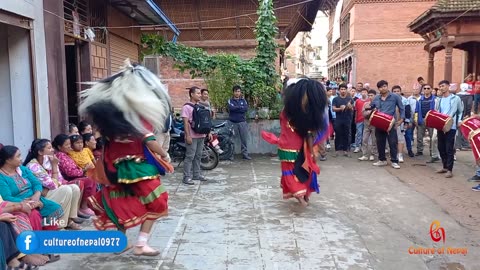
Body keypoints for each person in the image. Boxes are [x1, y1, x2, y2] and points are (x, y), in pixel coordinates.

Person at [78, 60, 172, 256]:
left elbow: (104, 143)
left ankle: (119, 243)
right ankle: (141, 244)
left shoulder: (110, 122)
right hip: (136, 169)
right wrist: (164, 154)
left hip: (113, 169)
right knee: (158, 200)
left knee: (119, 203)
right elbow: (149, 141)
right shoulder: (137, 117)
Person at [261, 78, 329, 207]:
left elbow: (308, 132)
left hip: (297, 147)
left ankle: (303, 195)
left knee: (300, 171)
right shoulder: (290, 112)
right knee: (296, 171)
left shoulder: (298, 112)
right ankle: (301, 196)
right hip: (290, 146)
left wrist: (313, 148)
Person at [23, 139, 82, 230]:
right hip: (41, 196)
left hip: (48, 191)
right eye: (49, 148)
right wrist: (54, 166)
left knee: (74, 188)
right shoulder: (33, 166)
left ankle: (69, 220)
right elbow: (53, 185)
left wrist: (54, 182)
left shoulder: (48, 161)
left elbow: (60, 180)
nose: (52, 150)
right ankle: (60, 225)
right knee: (66, 190)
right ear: (40, 152)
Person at [0, 145, 64, 226]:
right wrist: (29, 203)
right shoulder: (1, 177)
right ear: (8, 160)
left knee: (54, 208)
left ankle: (48, 234)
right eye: (18, 156)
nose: (21, 159)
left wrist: (36, 195)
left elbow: (36, 183)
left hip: (35, 198)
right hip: (18, 203)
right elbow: (7, 197)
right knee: (34, 215)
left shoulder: (23, 169)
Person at [52, 134, 96, 217]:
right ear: (59, 147)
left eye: (69, 144)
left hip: (77, 175)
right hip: (68, 179)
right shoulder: (61, 156)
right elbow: (70, 173)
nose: (69, 146)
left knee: (91, 179)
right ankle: (83, 207)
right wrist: (84, 169)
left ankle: (86, 206)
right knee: (89, 180)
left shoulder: (67, 154)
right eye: (66, 145)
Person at [370, 80, 405, 169]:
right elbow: (371, 106)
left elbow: (402, 108)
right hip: (379, 123)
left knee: (392, 142)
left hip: (391, 123)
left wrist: (401, 120)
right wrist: (369, 108)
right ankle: (382, 160)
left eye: (385, 86)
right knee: (380, 142)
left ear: (387, 86)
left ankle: (394, 161)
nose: (383, 88)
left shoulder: (395, 97)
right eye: (381, 87)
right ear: (378, 89)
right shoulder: (376, 98)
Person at [435, 80, 463, 178]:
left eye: (443, 86)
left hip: (451, 126)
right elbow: (436, 112)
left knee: (449, 148)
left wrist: (459, 120)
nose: (441, 88)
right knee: (440, 147)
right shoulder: (438, 99)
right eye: (440, 86)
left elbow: (460, 111)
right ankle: (445, 166)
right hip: (440, 126)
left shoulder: (456, 98)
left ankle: (449, 170)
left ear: (448, 86)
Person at [181, 87, 209, 185]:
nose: (199, 95)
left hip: (201, 135)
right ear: (192, 94)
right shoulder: (186, 107)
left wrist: (207, 133)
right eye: (197, 93)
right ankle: (186, 177)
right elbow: (185, 123)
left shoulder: (200, 106)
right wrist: (187, 136)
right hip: (192, 136)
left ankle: (196, 174)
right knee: (190, 156)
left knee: (198, 156)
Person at [415, 84, 439, 162]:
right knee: (419, 136)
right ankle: (419, 151)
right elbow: (416, 111)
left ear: (431, 89)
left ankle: (432, 152)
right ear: (422, 90)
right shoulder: (419, 99)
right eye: (424, 88)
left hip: (431, 120)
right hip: (421, 119)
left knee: (433, 137)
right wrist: (416, 119)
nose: (426, 89)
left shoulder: (435, 99)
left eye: (428, 88)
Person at [228, 85, 251, 160]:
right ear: (233, 92)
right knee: (232, 139)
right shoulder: (230, 100)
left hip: (242, 122)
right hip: (232, 122)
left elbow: (245, 109)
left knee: (243, 139)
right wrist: (240, 108)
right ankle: (231, 155)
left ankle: (245, 154)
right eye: (236, 91)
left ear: (240, 92)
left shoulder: (243, 100)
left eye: (238, 91)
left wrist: (237, 108)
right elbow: (231, 108)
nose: (237, 93)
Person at [332, 83, 354, 156]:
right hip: (338, 119)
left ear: (346, 90)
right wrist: (340, 108)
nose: (343, 91)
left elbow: (352, 108)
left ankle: (346, 150)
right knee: (338, 134)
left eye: (344, 89)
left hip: (347, 119)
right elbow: (333, 109)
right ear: (339, 90)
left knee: (347, 134)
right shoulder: (335, 99)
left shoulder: (350, 99)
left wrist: (349, 106)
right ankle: (337, 150)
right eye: (341, 89)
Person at [358, 89, 378, 161]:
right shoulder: (366, 104)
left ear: (375, 96)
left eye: (371, 95)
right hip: (366, 123)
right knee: (364, 139)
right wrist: (371, 111)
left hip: (375, 124)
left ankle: (373, 154)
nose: (370, 97)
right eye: (369, 95)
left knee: (374, 140)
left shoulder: (378, 104)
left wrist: (372, 111)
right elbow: (363, 114)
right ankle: (365, 154)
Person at [353, 88, 368, 153]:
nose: (364, 93)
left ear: (367, 93)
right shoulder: (357, 101)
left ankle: (363, 147)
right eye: (362, 92)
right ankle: (357, 146)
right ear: (360, 93)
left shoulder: (369, 101)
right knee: (359, 133)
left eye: (365, 92)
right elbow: (356, 110)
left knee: (365, 134)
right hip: (359, 119)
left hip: (367, 120)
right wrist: (355, 118)